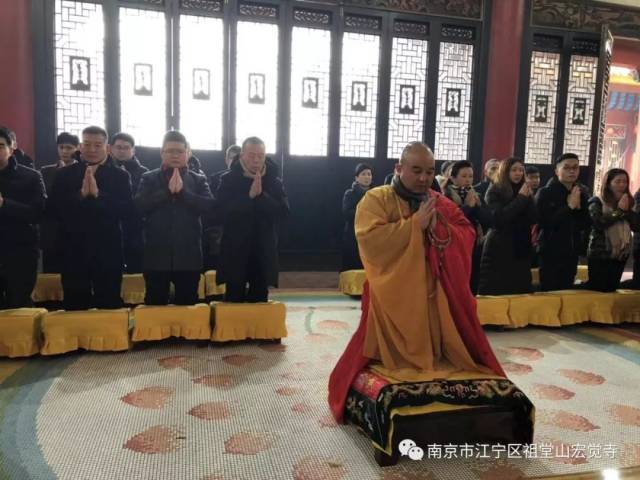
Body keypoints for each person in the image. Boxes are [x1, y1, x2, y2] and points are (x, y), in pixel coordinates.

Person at [328, 141, 504, 421]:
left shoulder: (438, 202)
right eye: (416, 170)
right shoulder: (376, 199)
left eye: (429, 171)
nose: (424, 178)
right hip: (393, 289)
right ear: (399, 168)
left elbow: (466, 231)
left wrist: (437, 225)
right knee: (398, 352)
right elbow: (370, 240)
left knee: (435, 341)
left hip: (433, 287)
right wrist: (413, 226)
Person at [50, 126, 132, 310]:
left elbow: (127, 210)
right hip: (73, 247)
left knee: (109, 301)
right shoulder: (64, 174)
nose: (92, 149)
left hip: (108, 248)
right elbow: (53, 209)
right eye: (87, 144)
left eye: (97, 145)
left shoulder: (120, 176)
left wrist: (98, 195)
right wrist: (80, 195)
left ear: (107, 147)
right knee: (75, 302)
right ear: (80, 146)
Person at [135, 131, 213, 305]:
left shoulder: (198, 179)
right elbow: (139, 206)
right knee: (155, 306)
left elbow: (208, 206)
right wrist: (166, 192)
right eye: (170, 151)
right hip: (156, 256)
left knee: (187, 307)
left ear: (188, 153)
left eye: (179, 151)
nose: (175, 155)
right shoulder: (148, 178)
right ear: (162, 153)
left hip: (189, 257)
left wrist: (183, 193)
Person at [215, 136, 289, 302]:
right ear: (241, 156)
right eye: (251, 155)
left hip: (263, 249)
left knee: (259, 302)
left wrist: (261, 196)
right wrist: (248, 197)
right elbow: (219, 212)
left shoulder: (274, 182)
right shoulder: (228, 180)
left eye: (260, 155)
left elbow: (283, 212)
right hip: (235, 249)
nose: (256, 160)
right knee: (234, 301)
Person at [0, 127, 46, 308]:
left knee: (19, 304)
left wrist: (5, 204)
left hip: (20, 251)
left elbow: (38, 213)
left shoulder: (31, 176)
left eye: (1, 145)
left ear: (12, 149)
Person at [477, 157, 536, 295]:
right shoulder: (495, 191)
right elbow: (499, 219)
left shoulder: (525, 190)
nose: (518, 173)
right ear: (505, 171)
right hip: (500, 247)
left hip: (521, 246)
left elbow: (533, 218)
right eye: (514, 170)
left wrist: (529, 198)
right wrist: (521, 198)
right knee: (498, 290)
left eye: (521, 170)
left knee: (520, 291)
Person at [535, 153, 590, 291]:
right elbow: (544, 222)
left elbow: (585, 223)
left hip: (571, 252)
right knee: (550, 292)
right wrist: (568, 207)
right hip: (550, 251)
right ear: (556, 171)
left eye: (575, 168)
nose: (572, 171)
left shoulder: (581, 193)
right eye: (566, 168)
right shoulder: (545, 193)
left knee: (567, 291)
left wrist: (578, 210)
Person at [586, 169, 640, 292]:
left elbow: (637, 226)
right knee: (598, 290)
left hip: (621, 254)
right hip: (600, 253)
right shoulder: (596, 201)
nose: (622, 185)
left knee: (612, 289)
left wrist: (627, 211)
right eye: (618, 181)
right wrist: (619, 211)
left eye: (625, 182)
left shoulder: (627, 203)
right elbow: (599, 223)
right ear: (608, 184)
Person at [443, 160, 490, 294]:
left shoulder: (477, 195)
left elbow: (488, 221)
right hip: (453, 245)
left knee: (473, 284)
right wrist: (468, 207)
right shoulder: (445, 196)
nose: (468, 180)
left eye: (470, 176)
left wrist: (477, 205)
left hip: (475, 245)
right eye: (464, 176)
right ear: (453, 178)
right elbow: (451, 220)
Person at [40, 132, 79, 273]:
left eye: (69, 148)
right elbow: (43, 197)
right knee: (51, 271)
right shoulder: (46, 171)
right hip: (52, 228)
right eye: (61, 147)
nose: (64, 151)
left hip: (75, 228)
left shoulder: (83, 170)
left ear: (77, 149)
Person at [109, 132, 148, 274]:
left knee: (136, 272)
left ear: (133, 150)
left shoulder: (144, 173)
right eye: (118, 147)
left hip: (135, 230)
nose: (122, 151)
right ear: (111, 149)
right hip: (110, 228)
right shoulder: (103, 170)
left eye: (126, 147)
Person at [204, 145, 241, 270]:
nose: (236, 162)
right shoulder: (216, 179)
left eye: (239, 158)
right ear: (226, 160)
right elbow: (211, 207)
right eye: (232, 158)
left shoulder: (250, 179)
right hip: (219, 229)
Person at [341, 163, 372, 272]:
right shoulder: (350, 194)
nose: (367, 177)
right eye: (363, 174)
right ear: (356, 178)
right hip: (353, 234)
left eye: (369, 174)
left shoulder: (376, 194)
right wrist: (366, 213)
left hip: (370, 233)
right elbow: (347, 213)